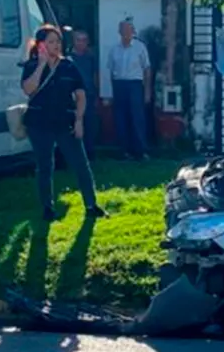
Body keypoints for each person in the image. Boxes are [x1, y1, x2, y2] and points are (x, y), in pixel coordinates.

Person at [20, 25, 106, 221]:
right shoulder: (31, 65)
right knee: (45, 166)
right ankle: (47, 208)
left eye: (58, 41)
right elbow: (28, 89)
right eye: (51, 42)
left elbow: (81, 95)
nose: (56, 45)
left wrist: (79, 120)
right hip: (39, 123)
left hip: (65, 122)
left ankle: (91, 205)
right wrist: (41, 65)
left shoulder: (68, 65)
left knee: (81, 164)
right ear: (41, 45)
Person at [106, 19, 151, 160]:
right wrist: (110, 92)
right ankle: (124, 151)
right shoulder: (114, 49)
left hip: (135, 84)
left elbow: (147, 69)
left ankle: (140, 150)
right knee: (121, 118)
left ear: (133, 31)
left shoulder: (140, 47)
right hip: (119, 84)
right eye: (123, 30)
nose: (126, 33)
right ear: (119, 32)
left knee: (137, 118)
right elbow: (111, 71)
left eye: (128, 30)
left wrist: (147, 91)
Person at [69, 30, 99, 160]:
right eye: (78, 40)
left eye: (84, 40)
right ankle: (74, 153)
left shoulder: (91, 57)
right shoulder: (68, 58)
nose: (81, 43)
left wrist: (97, 93)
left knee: (90, 124)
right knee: (73, 124)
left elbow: (95, 75)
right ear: (73, 41)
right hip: (72, 97)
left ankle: (89, 152)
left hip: (89, 95)